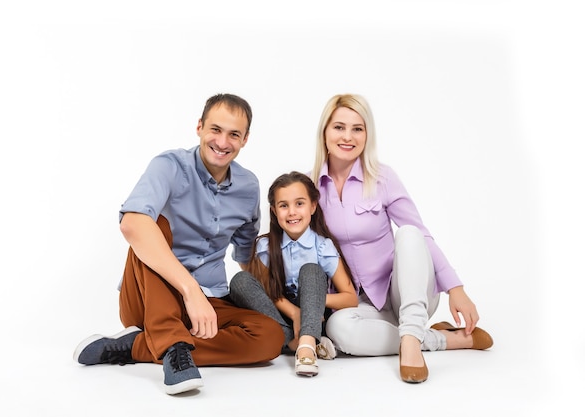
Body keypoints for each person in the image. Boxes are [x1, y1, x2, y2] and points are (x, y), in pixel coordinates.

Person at [72, 93, 285, 395]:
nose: (223, 142)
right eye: (215, 129)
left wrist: (285, 306)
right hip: (150, 298)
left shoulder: (248, 187)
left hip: (210, 303)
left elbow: (246, 256)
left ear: (245, 139)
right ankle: (172, 345)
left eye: (233, 134)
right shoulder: (169, 166)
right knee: (152, 222)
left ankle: (138, 346)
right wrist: (189, 291)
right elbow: (131, 224)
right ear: (199, 126)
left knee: (269, 337)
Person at [309, 93, 493, 384]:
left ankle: (410, 341)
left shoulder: (382, 177)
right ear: (325, 132)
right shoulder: (309, 189)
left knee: (409, 233)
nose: (348, 136)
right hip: (361, 305)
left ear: (367, 134)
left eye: (358, 128)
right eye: (339, 127)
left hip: (407, 292)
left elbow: (422, 236)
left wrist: (455, 288)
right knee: (339, 330)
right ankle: (438, 339)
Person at [229, 171, 358, 377]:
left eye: (299, 203)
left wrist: (310, 302)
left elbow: (350, 298)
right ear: (274, 210)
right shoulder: (265, 246)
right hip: (279, 317)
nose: (292, 212)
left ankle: (306, 344)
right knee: (240, 280)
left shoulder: (322, 246)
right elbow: (266, 290)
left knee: (311, 270)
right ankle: (290, 340)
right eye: (283, 205)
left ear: (313, 206)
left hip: (313, 319)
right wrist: (293, 312)